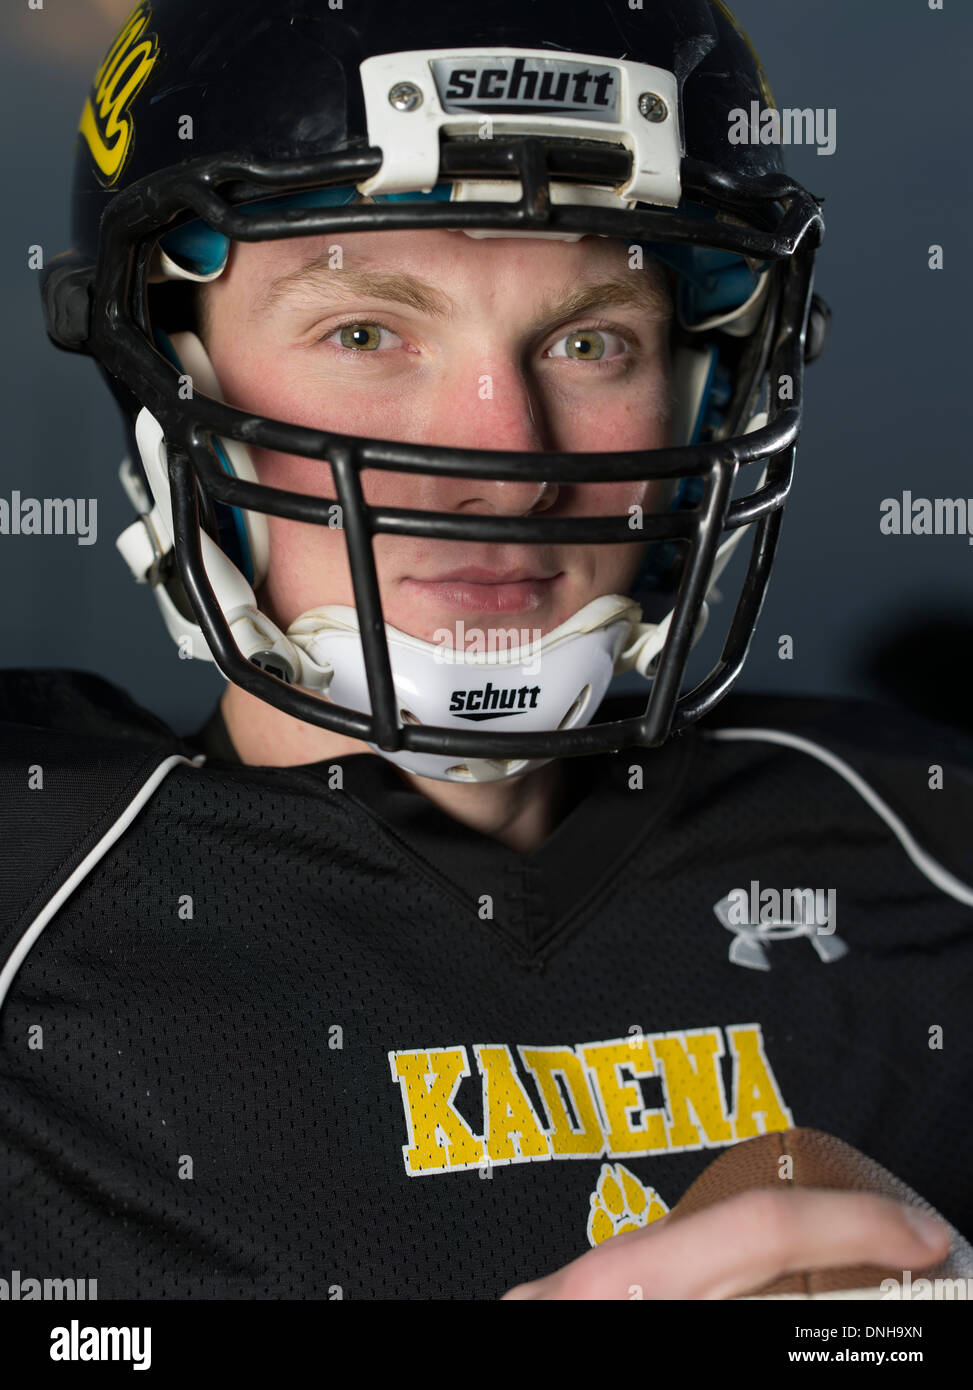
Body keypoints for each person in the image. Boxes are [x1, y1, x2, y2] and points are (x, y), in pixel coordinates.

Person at [1, 0, 969, 1302]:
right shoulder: (38, 904)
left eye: (590, 340)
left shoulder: (926, 846)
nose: (504, 466)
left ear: (706, 386)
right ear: (177, 385)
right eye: (363, 334)